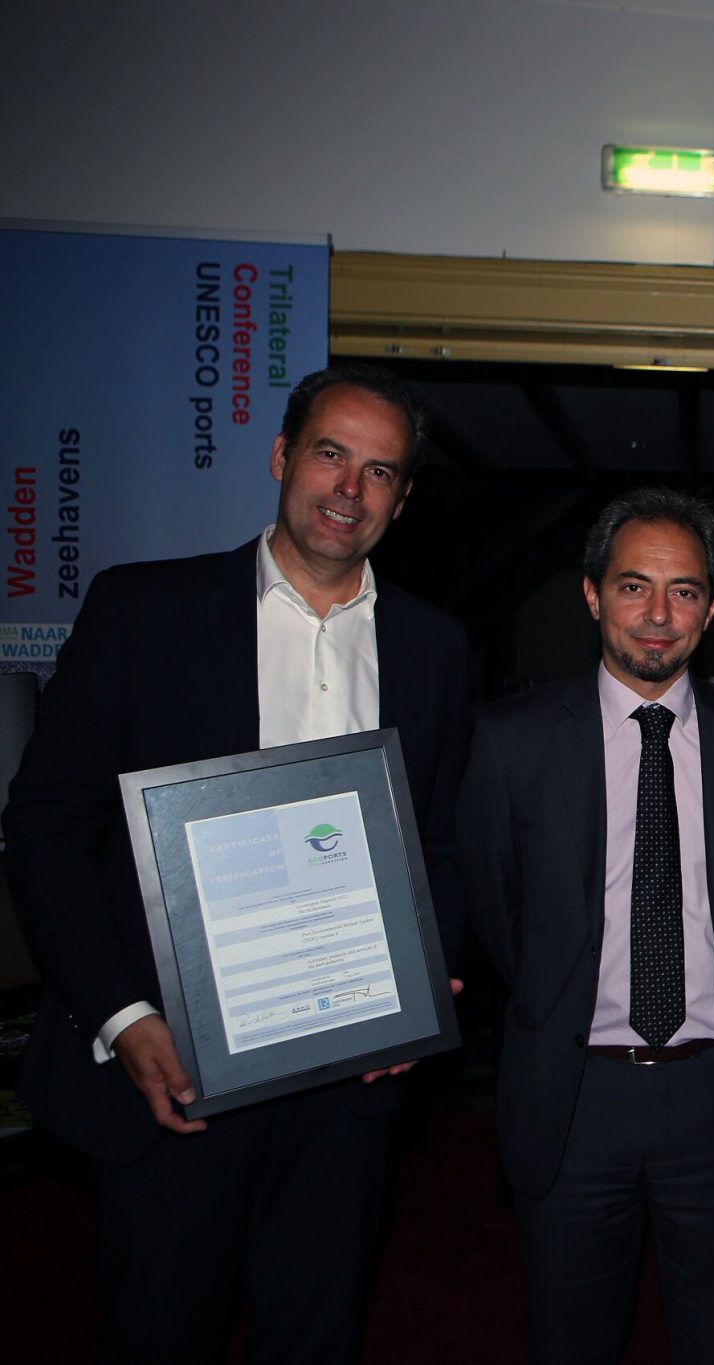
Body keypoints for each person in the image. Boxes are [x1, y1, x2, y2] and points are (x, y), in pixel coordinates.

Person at [5, 362, 471, 1364]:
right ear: (281, 457)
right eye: (331, 454)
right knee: (160, 1330)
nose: (349, 489)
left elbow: (437, 843)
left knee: (316, 1333)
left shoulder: (434, 648)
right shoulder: (143, 611)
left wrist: (422, 977)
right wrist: (123, 1015)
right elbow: (46, 827)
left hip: (347, 1087)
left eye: (380, 471)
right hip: (174, 1077)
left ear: (402, 500)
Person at [459, 488, 714, 1363]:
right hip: (574, 1098)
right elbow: (494, 907)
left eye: (684, 590)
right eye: (633, 585)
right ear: (591, 593)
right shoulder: (511, 740)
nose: (657, 614)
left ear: (712, 609)